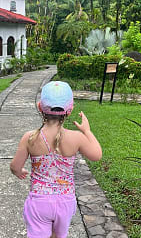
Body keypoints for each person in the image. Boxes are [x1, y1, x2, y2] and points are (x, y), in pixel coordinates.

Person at [10, 81, 102, 238]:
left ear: (40, 107)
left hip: (39, 202)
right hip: (65, 203)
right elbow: (96, 155)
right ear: (70, 110)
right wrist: (87, 131)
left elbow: (15, 166)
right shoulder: (76, 137)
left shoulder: (30, 138)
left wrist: (19, 171)